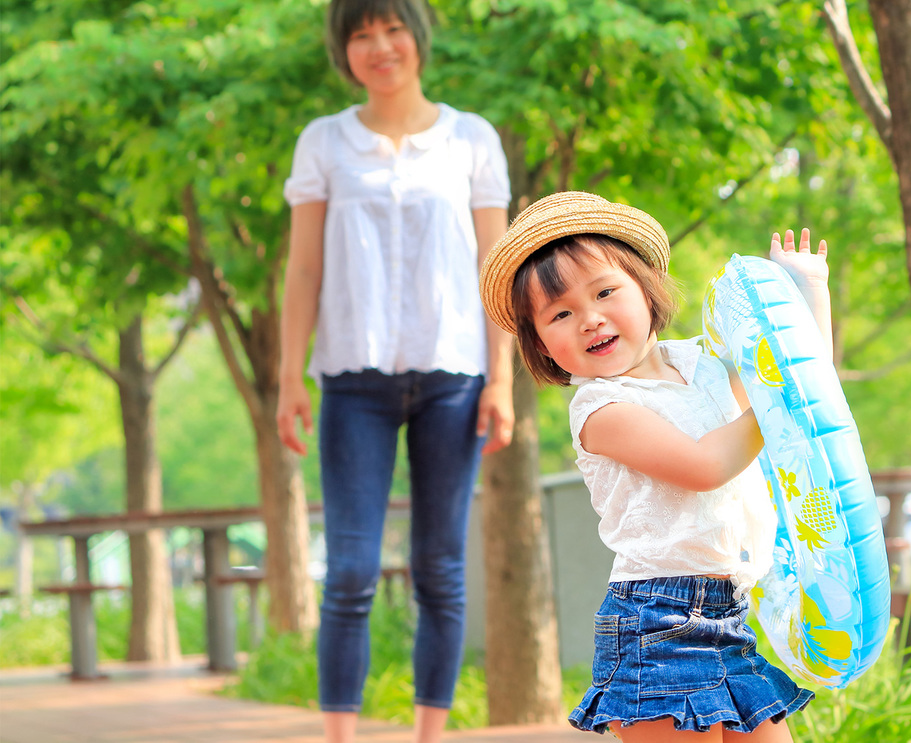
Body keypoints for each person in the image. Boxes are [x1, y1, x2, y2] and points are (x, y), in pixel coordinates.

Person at [478, 191, 830, 742]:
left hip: (729, 614)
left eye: (605, 292)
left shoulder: (702, 362)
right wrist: (777, 402)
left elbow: (802, 372)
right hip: (655, 625)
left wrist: (809, 290)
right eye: (561, 314)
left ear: (646, 289)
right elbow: (705, 464)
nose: (590, 319)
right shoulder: (601, 410)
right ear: (543, 345)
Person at [276, 0, 514, 740]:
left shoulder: (472, 139)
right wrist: (289, 377)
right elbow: (305, 267)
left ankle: (427, 735)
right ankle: (341, 735)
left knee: (438, 570)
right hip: (352, 379)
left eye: (391, 29)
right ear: (342, 51)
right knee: (347, 570)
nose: (379, 46)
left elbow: (494, 267)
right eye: (360, 35)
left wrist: (502, 377)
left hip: (454, 376)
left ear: (417, 37)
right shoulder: (324, 143)